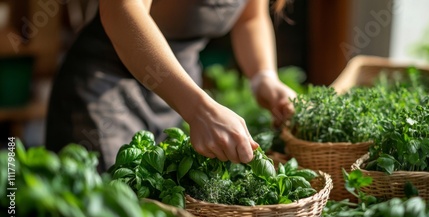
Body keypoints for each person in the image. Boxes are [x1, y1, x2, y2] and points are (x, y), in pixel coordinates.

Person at [45, 0, 297, 172]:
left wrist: (264, 77)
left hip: (175, 93)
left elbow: (250, 17)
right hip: (106, 88)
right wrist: (199, 109)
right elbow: (121, 8)